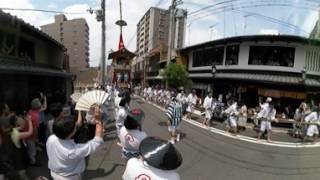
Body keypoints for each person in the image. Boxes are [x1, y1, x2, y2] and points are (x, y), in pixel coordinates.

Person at [46, 107, 104, 180]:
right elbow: (97, 140)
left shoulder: (51, 138)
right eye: (75, 128)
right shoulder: (73, 151)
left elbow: (77, 125)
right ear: (71, 133)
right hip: (69, 177)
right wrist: (98, 120)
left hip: (54, 173)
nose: (76, 127)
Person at [1, 114, 33, 180]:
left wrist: (26, 120)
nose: (19, 118)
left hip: (11, 156)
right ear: (16, 122)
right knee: (21, 173)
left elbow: (22, 127)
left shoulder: (11, 129)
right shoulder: (16, 133)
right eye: (18, 118)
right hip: (17, 156)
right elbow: (30, 132)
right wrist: (29, 121)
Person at [22, 98, 43, 166]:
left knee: (30, 148)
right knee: (32, 150)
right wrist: (35, 137)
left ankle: (31, 160)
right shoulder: (36, 116)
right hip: (30, 135)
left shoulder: (30, 111)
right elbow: (35, 128)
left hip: (26, 133)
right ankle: (33, 162)